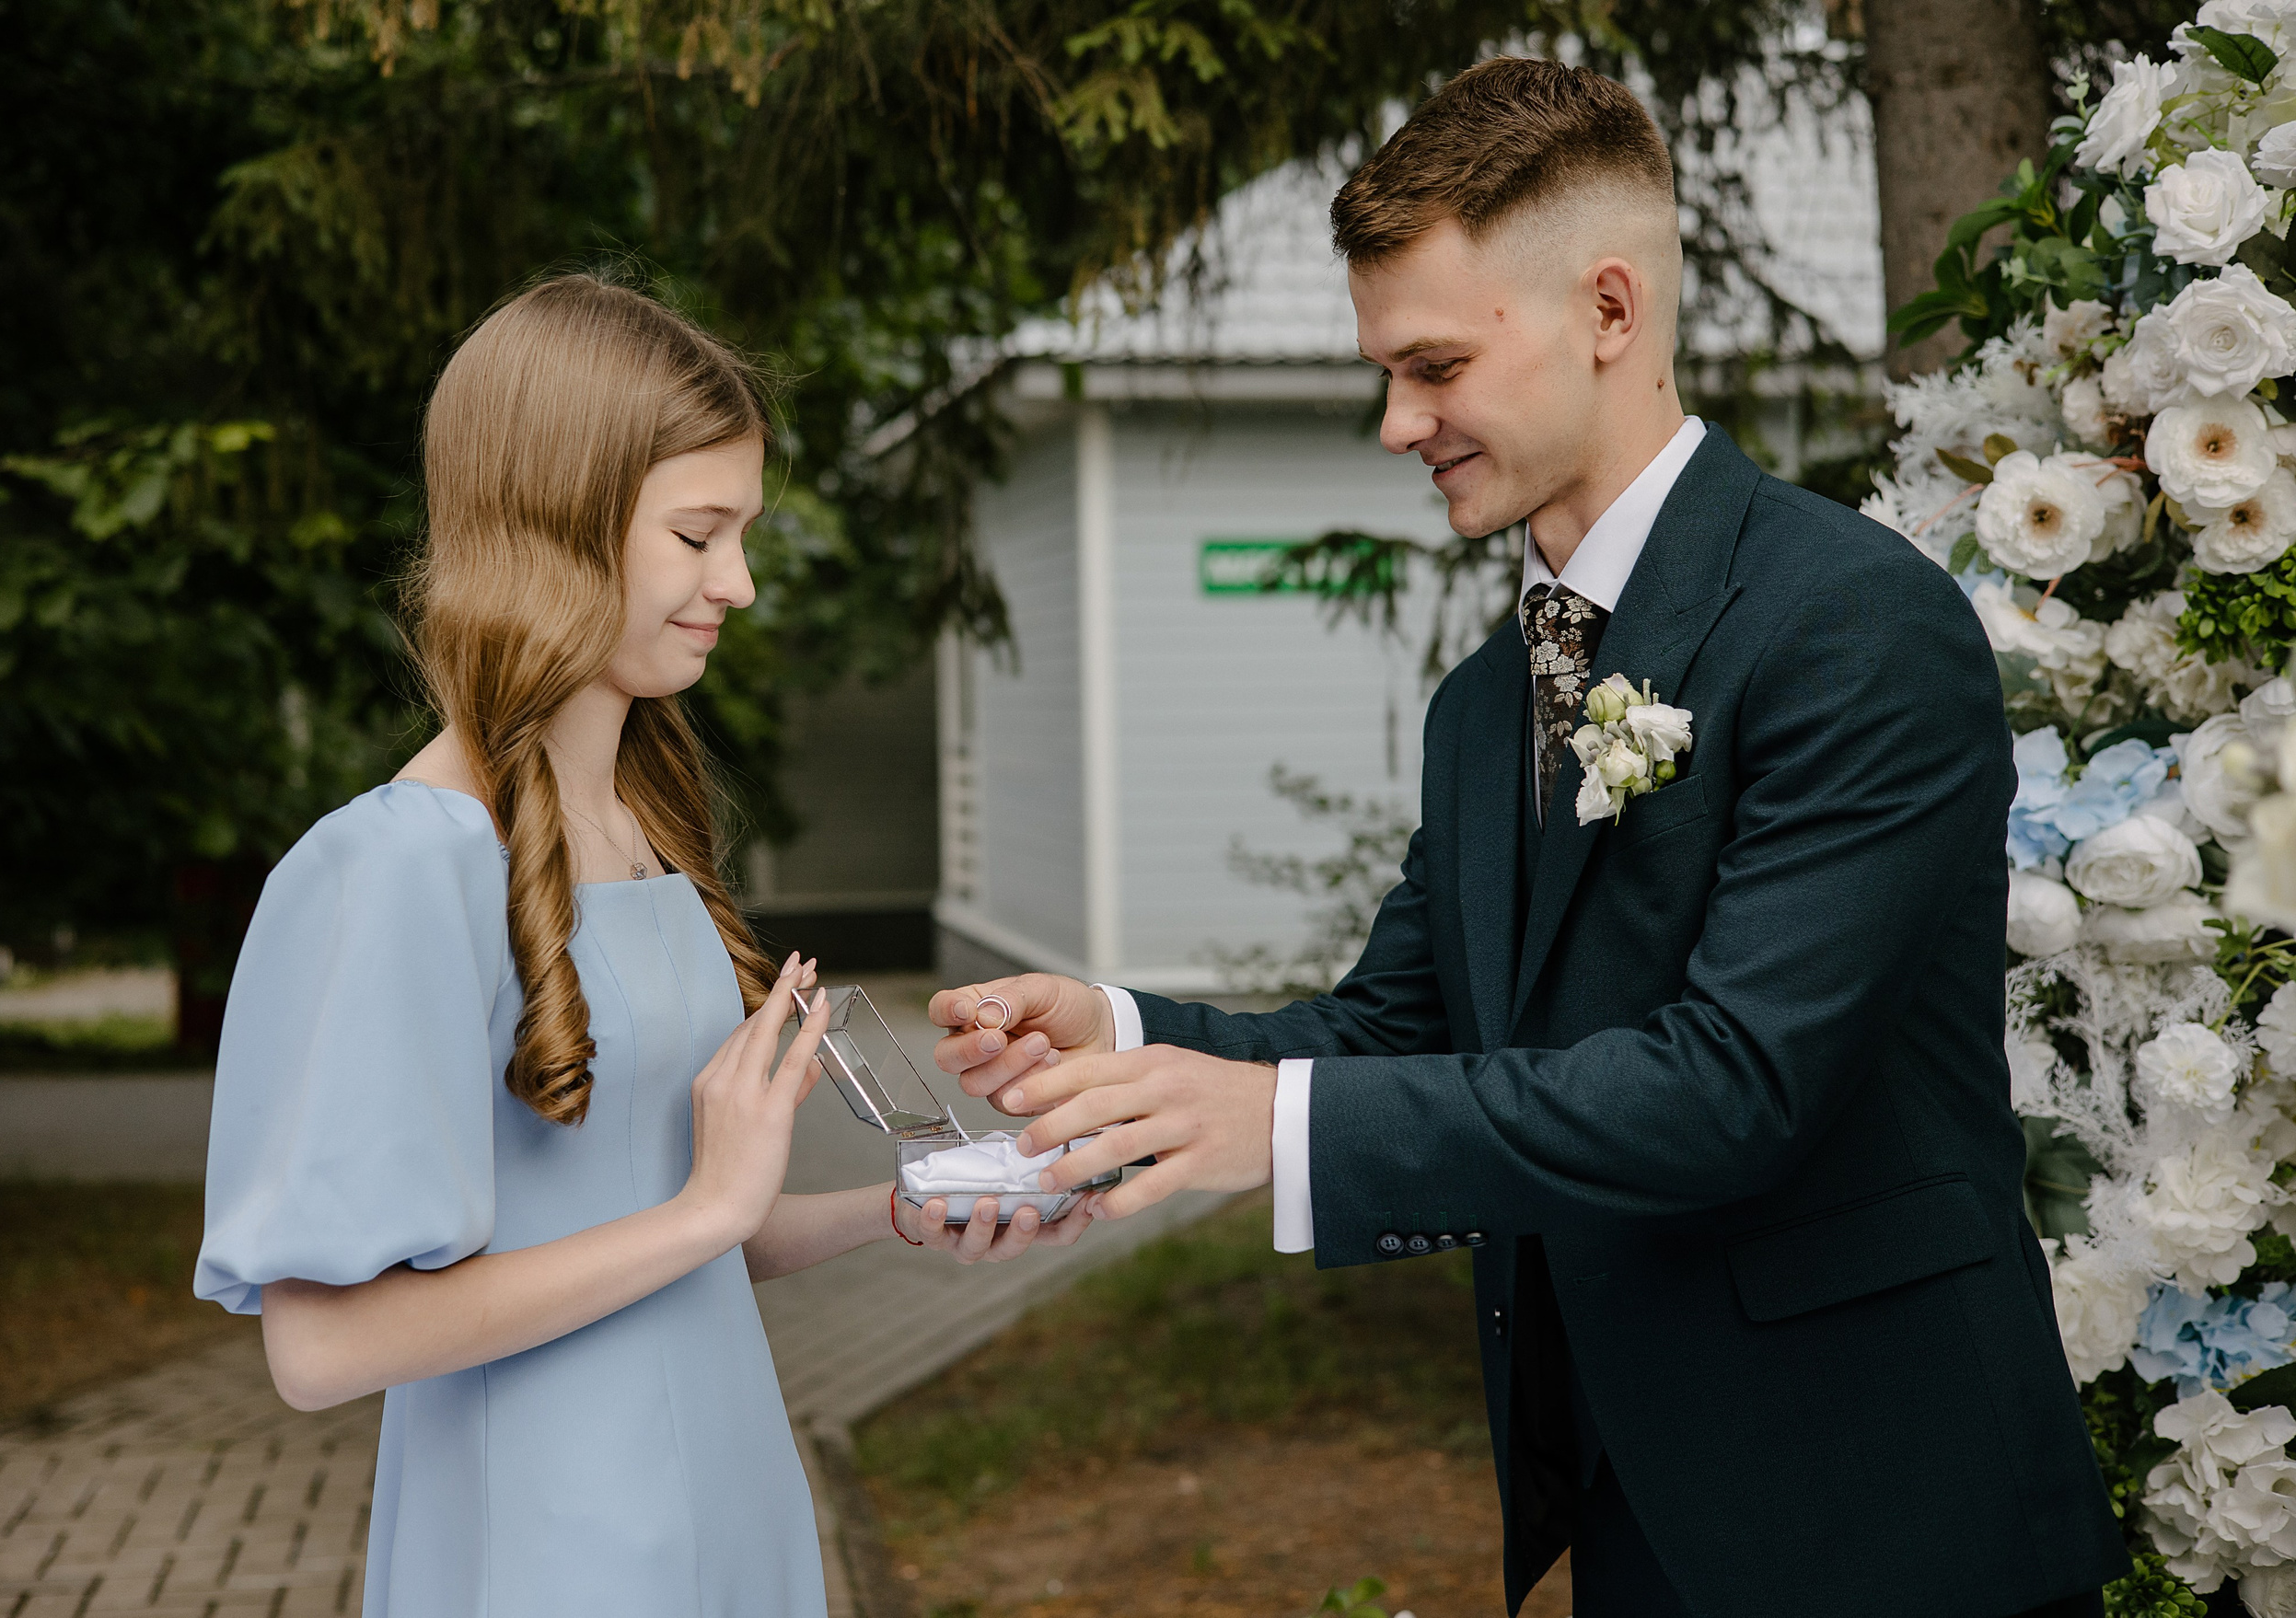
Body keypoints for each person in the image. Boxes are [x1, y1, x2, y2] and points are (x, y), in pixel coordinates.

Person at [929, 56, 2128, 1618]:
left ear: (1609, 311)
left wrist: (1277, 1127)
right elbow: (1398, 1028)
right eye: (1384, 372)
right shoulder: (1485, 702)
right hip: (1629, 1507)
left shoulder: (1852, 621)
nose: (1394, 422)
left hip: (1882, 1510)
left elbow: (1738, 1084)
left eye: (1433, 366)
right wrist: (1127, 1039)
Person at [192, 272, 1094, 1618]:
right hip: (550, 1554)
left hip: (732, 1511)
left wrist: (904, 1205)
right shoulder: (394, 869)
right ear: (554, 524)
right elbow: (323, 1347)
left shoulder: (646, 828)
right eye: (696, 534)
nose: (738, 583)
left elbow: (664, 1220)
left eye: (744, 533)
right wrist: (705, 1213)